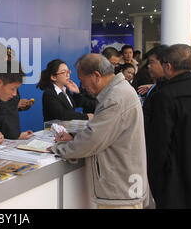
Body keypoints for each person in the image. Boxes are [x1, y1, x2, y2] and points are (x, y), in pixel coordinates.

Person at [49, 54, 148, 209]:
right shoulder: (118, 91)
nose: (82, 86)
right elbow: (104, 130)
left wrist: (59, 149)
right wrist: (74, 137)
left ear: (96, 76)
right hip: (123, 185)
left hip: (120, 189)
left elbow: (93, 139)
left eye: (83, 80)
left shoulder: (114, 98)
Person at [146, 44, 191, 208]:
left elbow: (158, 143)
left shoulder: (164, 96)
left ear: (168, 66)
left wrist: (155, 177)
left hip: (176, 179)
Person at [0, 43, 33, 140]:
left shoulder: (10, 77)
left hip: (9, 135)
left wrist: (19, 105)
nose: (9, 62)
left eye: (10, 59)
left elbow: (9, 103)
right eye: (6, 59)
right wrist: (15, 135)